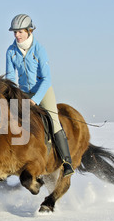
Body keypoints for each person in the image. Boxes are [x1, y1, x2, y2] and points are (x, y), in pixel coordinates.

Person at [5, 14, 74, 177]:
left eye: (20, 32)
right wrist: (11, 97)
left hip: (42, 91)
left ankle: (66, 161)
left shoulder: (39, 50)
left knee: (54, 121)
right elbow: (9, 76)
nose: (17, 35)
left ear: (29, 31)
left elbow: (47, 78)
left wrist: (35, 100)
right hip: (22, 92)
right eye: (14, 32)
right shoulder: (10, 51)